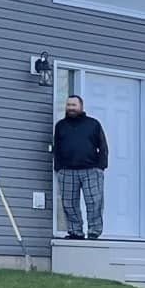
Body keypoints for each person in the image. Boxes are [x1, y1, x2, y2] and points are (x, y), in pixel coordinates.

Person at [51, 94, 110, 240]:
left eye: (74, 105)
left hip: (91, 170)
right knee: (69, 204)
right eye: (68, 105)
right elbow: (56, 147)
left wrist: (101, 167)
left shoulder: (93, 124)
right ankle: (75, 232)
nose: (70, 108)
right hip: (66, 171)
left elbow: (103, 146)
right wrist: (58, 167)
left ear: (81, 107)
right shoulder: (60, 126)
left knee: (94, 202)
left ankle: (94, 232)